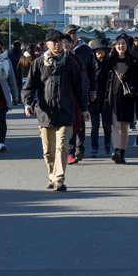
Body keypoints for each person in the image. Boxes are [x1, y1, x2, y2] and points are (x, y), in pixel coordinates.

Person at [21, 29, 89, 191]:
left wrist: (84, 108)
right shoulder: (38, 63)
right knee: (48, 150)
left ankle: (59, 178)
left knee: (62, 146)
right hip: (45, 112)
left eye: (60, 41)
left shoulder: (70, 63)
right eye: (54, 41)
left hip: (66, 112)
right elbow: (29, 87)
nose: (57, 44)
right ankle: (51, 175)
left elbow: (80, 88)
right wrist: (27, 103)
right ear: (47, 44)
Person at [97, 34, 138, 164]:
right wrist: (100, 97)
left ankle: (122, 153)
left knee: (124, 126)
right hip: (112, 97)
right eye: (118, 43)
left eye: (123, 43)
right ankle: (116, 150)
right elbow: (101, 80)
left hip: (127, 98)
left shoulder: (134, 62)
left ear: (127, 45)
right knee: (116, 125)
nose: (121, 46)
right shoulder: (109, 61)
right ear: (114, 46)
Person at [63, 27, 96, 163]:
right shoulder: (59, 54)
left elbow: (92, 70)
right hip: (65, 93)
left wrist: (93, 90)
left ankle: (79, 148)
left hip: (82, 89)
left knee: (81, 120)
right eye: (69, 35)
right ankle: (70, 151)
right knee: (69, 121)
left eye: (74, 33)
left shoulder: (85, 50)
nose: (72, 37)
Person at [87, 38, 113, 158]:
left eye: (103, 50)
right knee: (95, 126)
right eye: (98, 50)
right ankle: (94, 148)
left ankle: (107, 142)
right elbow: (91, 79)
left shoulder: (109, 62)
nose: (100, 53)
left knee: (107, 125)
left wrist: (103, 63)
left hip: (106, 98)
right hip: (94, 99)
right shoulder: (91, 63)